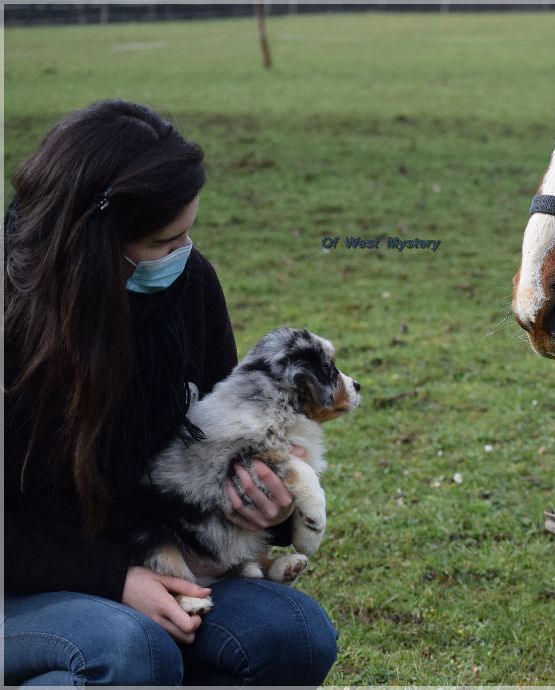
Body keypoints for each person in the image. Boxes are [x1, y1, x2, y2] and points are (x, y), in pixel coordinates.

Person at [4, 99, 338, 685]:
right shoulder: (15, 320)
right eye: (164, 242)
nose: (184, 255)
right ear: (92, 244)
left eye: (189, 233)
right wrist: (116, 579)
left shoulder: (190, 286)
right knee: (133, 654)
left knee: (294, 636)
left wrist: (266, 505)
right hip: (25, 580)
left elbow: (217, 442)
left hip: (161, 554)